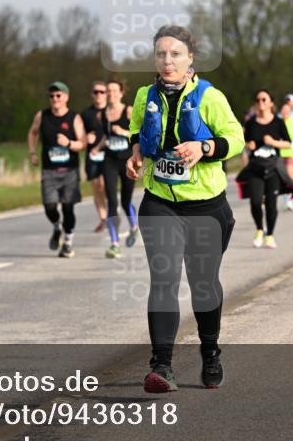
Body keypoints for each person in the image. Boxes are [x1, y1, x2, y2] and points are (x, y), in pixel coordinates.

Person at [126, 25, 243, 392]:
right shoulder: (145, 95)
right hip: (160, 201)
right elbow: (136, 130)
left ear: (190, 57)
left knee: (203, 285)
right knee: (164, 280)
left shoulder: (210, 96)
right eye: (161, 54)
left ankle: (210, 352)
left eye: (175, 54)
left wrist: (203, 149)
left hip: (207, 207)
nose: (167, 60)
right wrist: (135, 154)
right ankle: (161, 366)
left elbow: (236, 138)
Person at [28, 81, 86, 258]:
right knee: (49, 206)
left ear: (66, 97)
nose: (55, 99)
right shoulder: (42, 116)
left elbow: (83, 143)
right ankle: (56, 226)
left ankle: (67, 243)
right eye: (51, 96)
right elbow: (33, 132)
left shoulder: (74, 118)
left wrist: (68, 143)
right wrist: (32, 152)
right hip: (49, 171)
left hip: (70, 171)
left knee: (68, 208)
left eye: (58, 95)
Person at [242, 90, 292, 247]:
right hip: (255, 167)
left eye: (264, 99)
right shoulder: (250, 123)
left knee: (271, 203)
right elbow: (242, 142)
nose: (261, 102)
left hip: (273, 168)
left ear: (271, 103)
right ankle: (259, 229)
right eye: (258, 100)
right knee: (256, 202)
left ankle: (270, 235)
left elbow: (288, 143)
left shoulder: (278, 122)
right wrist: (248, 145)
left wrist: (273, 142)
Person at [97, 77, 138, 259]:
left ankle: (134, 226)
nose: (111, 94)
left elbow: (139, 133)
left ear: (121, 93)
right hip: (110, 161)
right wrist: (96, 148)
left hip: (127, 160)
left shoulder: (129, 111)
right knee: (112, 201)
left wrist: (123, 132)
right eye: (108, 91)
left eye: (114, 91)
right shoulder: (102, 114)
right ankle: (114, 244)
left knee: (125, 201)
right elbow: (106, 137)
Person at [80, 82, 108, 232]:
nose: (98, 95)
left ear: (107, 94)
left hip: (108, 155)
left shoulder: (111, 112)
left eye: (102, 92)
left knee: (104, 185)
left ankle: (111, 213)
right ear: (92, 94)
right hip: (92, 155)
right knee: (96, 187)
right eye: (96, 92)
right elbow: (78, 136)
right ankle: (103, 218)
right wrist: (86, 138)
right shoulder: (85, 114)